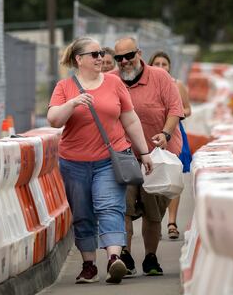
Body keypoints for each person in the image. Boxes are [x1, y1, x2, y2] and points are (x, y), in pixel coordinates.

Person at [47, 37, 153, 285]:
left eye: (102, 53)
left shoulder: (115, 83)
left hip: (110, 159)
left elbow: (130, 120)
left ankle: (113, 259)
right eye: (94, 54)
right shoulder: (65, 87)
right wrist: (73, 103)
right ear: (79, 59)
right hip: (74, 162)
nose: (100, 58)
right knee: (83, 214)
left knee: (110, 207)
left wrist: (144, 152)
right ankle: (88, 266)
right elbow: (54, 120)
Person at [112, 37, 184, 277]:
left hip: (158, 157)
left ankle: (151, 258)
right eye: (119, 58)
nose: (124, 62)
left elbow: (176, 109)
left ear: (139, 54)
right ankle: (125, 256)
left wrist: (165, 133)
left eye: (129, 56)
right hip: (125, 157)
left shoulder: (160, 77)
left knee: (153, 214)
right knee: (124, 209)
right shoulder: (111, 80)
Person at [149, 51, 192, 240]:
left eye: (164, 64)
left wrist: (176, 112)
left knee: (174, 177)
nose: (160, 67)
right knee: (154, 178)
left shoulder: (177, 85)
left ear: (169, 67)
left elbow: (188, 108)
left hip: (174, 134)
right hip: (150, 134)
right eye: (156, 63)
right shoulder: (146, 86)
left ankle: (172, 222)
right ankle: (154, 223)